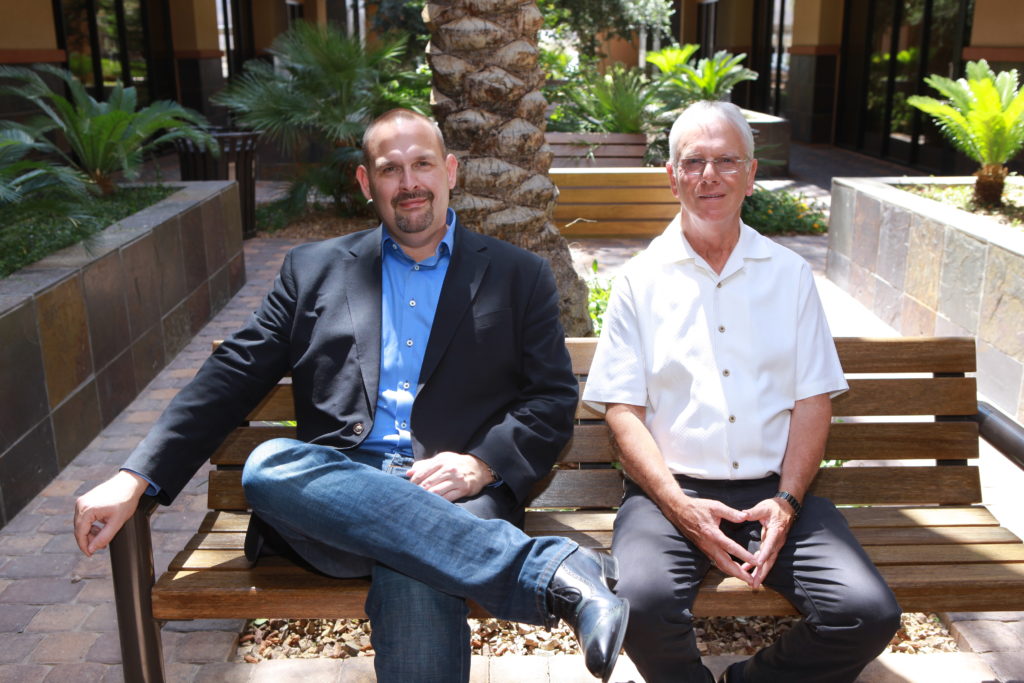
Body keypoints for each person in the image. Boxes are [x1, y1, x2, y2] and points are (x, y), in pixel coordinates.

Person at [74, 108, 628, 683]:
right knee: (268, 465)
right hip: (331, 504)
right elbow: (233, 373)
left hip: (451, 495)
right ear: (367, 184)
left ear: (451, 171)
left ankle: (525, 568)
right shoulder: (312, 270)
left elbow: (550, 398)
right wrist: (135, 476)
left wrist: (481, 464)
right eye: (390, 169)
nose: (409, 183)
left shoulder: (519, 276)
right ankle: (551, 576)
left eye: (423, 164)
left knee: (417, 565)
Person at [582, 101, 901, 683]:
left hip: (775, 493)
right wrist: (680, 506)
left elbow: (812, 400)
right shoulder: (639, 280)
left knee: (867, 614)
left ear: (751, 175)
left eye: (727, 160)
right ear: (672, 176)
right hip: (667, 495)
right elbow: (622, 413)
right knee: (641, 609)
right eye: (694, 161)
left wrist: (787, 501)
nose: (710, 175)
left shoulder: (789, 274)